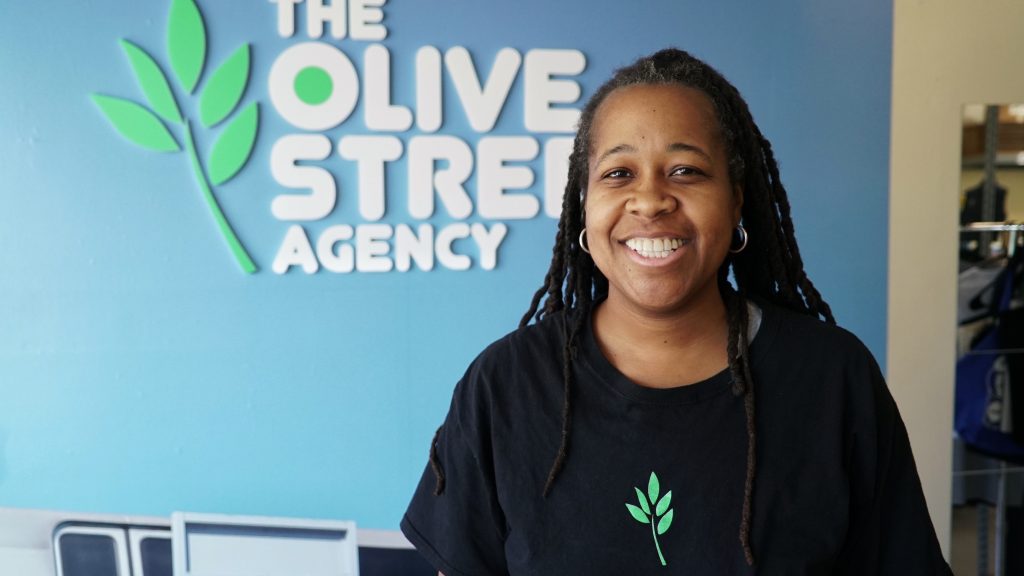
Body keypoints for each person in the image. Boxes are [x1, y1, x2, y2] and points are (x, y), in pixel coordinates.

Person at [401, 48, 953, 575]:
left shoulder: (833, 378)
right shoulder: (505, 385)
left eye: (686, 170)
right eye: (618, 174)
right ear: (583, 205)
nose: (650, 200)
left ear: (737, 199)